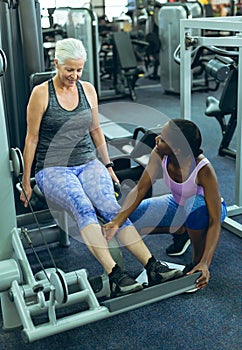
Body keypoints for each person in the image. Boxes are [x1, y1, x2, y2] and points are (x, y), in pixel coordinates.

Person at [20, 38, 182, 298]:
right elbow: (32, 138)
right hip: (53, 168)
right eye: (69, 70)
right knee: (83, 206)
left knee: (110, 207)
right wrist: (27, 181)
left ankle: (152, 266)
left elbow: (95, 130)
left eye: (79, 70)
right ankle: (115, 273)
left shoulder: (87, 90)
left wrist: (107, 165)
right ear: (56, 64)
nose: (74, 75)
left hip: (88, 162)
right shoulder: (41, 93)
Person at [104, 118, 227, 290]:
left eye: (162, 138)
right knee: (130, 221)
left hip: (205, 211)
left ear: (176, 149)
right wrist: (118, 220)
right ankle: (183, 230)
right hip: (177, 205)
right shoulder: (160, 153)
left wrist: (206, 263)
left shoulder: (203, 169)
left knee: (194, 209)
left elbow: (214, 220)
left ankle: (196, 264)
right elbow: (141, 189)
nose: (156, 139)